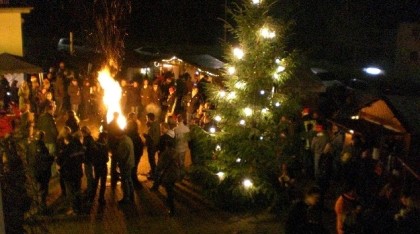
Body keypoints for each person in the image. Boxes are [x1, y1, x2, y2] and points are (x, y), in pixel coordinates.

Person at [56, 132, 85, 215]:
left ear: (66, 140)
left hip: (69, 174)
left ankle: (74, 209)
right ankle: (80, 207)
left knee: (70, 192)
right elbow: (82, 158)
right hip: (78, 172)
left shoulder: (66, 150)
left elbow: (60, 161)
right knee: (78, 190)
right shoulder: (79, 147)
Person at [27, 130, 54, 214]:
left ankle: (36, 208)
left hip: (33, 170)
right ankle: (42, 210)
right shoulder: (42, 146)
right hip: (41, 172)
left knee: (36, 190)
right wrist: (51, 158)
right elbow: (44, 159)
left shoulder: (30, 145)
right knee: (42, 190)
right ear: (42, 137)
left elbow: (28, 157)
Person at [154, 135, 179, 216]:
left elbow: (160, 165)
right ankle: (172, 207)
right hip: (175, 173)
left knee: (169, 191)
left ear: (166, 145)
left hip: (167, 174)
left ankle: (172, 209)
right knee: (171, 188)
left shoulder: (165, 154)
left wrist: (157, 172)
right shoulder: (176, 152)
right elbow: (180, 163)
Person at [114, 131, 135, 204]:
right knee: (129, 180)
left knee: (125, 181)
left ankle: (126, 198)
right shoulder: (128, 138)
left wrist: (118, 161)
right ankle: (131, 196)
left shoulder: (123, 143)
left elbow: (122, 156)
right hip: (130, 162)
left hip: (126, 165)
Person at [125, 112, 144, 188]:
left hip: (136, 150)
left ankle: (132, 181)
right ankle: (133, 181)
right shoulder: (132, 127)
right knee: (134, 166)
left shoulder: (131, 132)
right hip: (137, 150)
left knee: (133, 166)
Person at [92, 132, 109, 205]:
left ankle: (92, 196)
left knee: (96, 180)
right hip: (103, 166)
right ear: (104, 138)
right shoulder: (104, 146)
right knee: (103, 183)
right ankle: (101, 198)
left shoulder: (95, 144)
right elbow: (106, 159)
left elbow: (92, 155)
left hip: (96, 166)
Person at [143, 112, 160, 180]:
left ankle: (154, 174)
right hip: (154, 145)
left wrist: (145, 135)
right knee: (152, 159)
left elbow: (152, 137)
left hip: (152, 145)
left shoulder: (153, 126)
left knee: (151, 160)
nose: (146, 119)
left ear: (149, 118)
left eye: (147, 118)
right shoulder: (156, 124)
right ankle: (153, 171)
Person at [81, 126, 95, 203]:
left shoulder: (86, 139)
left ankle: (90, 189)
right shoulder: (91, 138)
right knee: (89, 173)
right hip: (90, 159)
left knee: (88, 174)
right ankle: (91, 186)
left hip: (88, 159)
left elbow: (84, 149)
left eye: (82, 132)